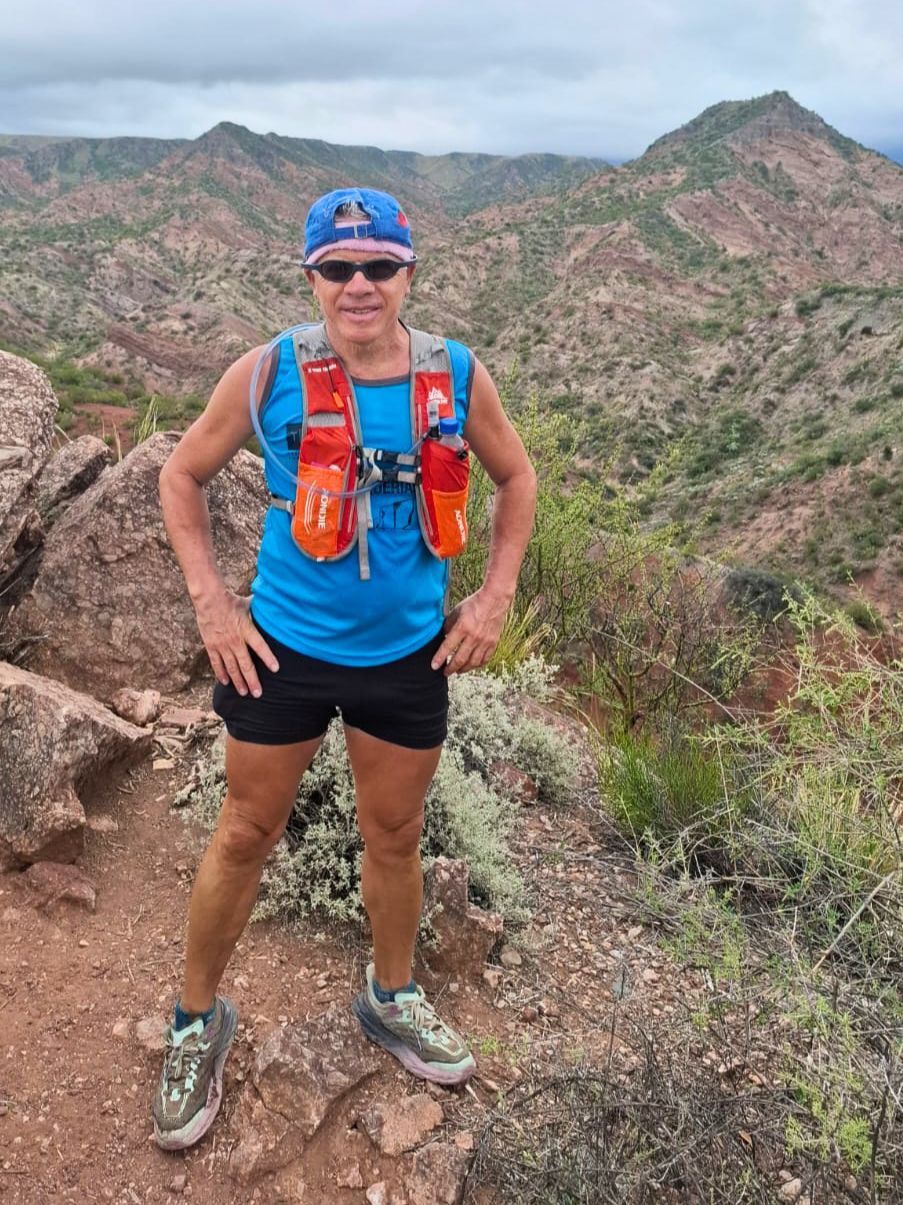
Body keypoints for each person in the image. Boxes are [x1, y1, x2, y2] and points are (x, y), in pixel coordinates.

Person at [153, 187, 536, 1151]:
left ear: (409, 273)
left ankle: (391, 994)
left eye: (379, 267)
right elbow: (179, 474)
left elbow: (517, 477)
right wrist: (212, 603)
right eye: (338, 268)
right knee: (245, 831)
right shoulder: (269, 372)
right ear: (312, 277)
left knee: (396, 833)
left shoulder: (457, 375)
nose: (359, 286)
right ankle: (197, 1019)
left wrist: (493, 598)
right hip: (281, 648)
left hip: (406, 656)